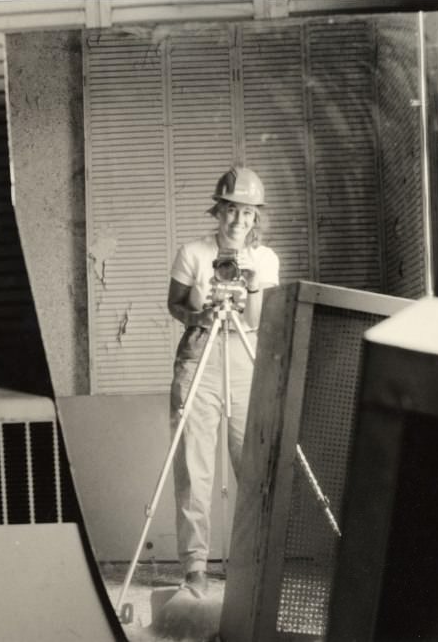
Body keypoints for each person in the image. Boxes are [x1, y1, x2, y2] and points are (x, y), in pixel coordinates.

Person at [167, 166, 280, 595]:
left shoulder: (265, 259)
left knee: (250, 463)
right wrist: (201, 314)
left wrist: (250, 288)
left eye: (248, 214)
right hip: (200, 355)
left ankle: (250, 563)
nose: (238, 221)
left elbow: (255, 321)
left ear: (256, 218)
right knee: (194, 465)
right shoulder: (193, 252)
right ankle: (195, 566)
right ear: (218, 211)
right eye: (231, 210)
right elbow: (175, 304)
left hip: (244, 358)